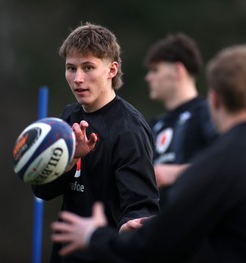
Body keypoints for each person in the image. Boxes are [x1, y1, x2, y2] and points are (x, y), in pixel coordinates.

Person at [51, 44, 246, 263]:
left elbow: (156, 244)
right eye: (71, 68)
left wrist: (94, 237)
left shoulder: (220, 161)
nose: (78, 77)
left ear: (213, 100)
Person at [32, 22, 160, 263]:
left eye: (88, 67)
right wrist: (71, 160)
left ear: (112, 69)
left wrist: (129, 227)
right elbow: (42, 190)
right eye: (71, 68)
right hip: (65, 254)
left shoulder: (128, 129)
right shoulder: (68, 117)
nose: (78, 78)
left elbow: (141, 206)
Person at [144, 33, 217, 204]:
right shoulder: (153, 125)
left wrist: (176, 173)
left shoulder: (208, 113)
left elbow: (228, 163)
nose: (148, 77)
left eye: (155, 70)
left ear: (178, 70)